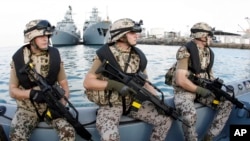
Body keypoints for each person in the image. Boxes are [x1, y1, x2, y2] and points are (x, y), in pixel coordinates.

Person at [83, 18, 173, 141]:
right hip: (111, 106)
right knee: (110, 137)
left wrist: (158, 102)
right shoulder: (105, 54)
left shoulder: (139, 56)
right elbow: (88, 82)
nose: (137, 35)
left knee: (165, 120)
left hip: (134, 103)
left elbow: (146, 83)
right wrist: (115, 85)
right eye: (132, 33)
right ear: (121, 36)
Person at [9, 19, 75, 141]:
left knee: (69, 132)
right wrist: (31, 94)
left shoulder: (54, 56)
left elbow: (64, 85)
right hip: (27, 110)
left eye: (47, 35)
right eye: (41, 36)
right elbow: (12, 91)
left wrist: (61, 104)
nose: (46, 39)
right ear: (31, 38)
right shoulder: (19, 59)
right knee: (16, 137)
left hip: (51, 108)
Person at [171, 22, 233, 141]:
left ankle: (209, 137)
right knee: (189, 116)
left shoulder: (208, 52)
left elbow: (210, 74)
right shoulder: (185, 51)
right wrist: (200, 90)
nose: (211, 38)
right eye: (209, 35)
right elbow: (180, 80)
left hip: (204, 89)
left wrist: (215, 87)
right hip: (185, 91)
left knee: (227, 102)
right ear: (202, 36)